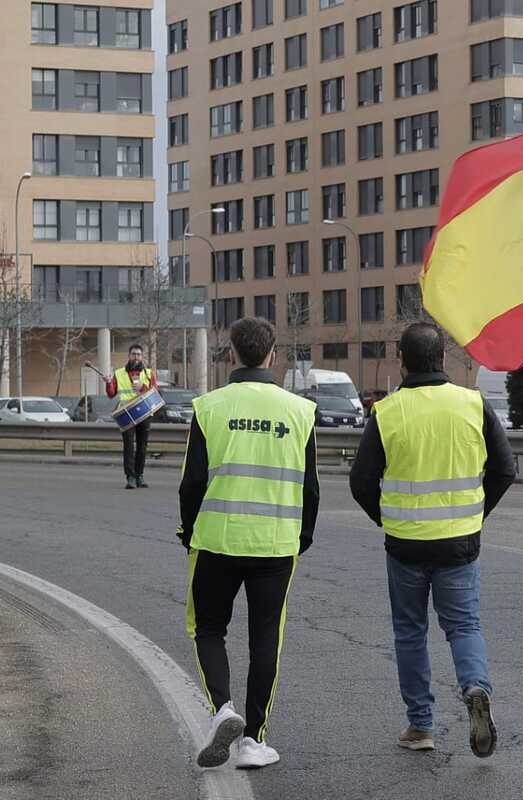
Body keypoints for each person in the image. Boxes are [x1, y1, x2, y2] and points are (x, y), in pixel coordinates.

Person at [350, 323, 515, 757]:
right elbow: (505, 470)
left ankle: (421, 726)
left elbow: (361, 481)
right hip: (459, 542)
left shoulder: (387, 412)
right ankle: (475, 686)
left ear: (402, 360)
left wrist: (387, 518)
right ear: (442, 357)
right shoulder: (473, 405)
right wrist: (474, 515)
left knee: (410, 632)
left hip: (405, 544)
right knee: (464, 626)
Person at [177, 317, 320, 769]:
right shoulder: (300, 411)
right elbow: (310, 488)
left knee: (209, 629)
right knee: (265, 640)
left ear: (231, 354)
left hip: (217, 540)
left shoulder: (208, 407)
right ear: (273, 355)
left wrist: (189, 532)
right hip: (275, 544)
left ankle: (223, 710)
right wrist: (303, 536)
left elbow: (191, 484)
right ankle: (254, 741)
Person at [106, 343, 157, 489]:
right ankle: (130, 477)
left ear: (142, 357)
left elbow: (155, 393)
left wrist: (143, 387)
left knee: (142, 446)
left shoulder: (148, 373)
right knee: (128, 446)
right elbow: (111, 394)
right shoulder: (119, 373)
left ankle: (140, 475)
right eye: (133, 354)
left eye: (139, 354)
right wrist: (109, 383)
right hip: (126, 413)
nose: (136, 357)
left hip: (144, 413)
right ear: (129, 356)